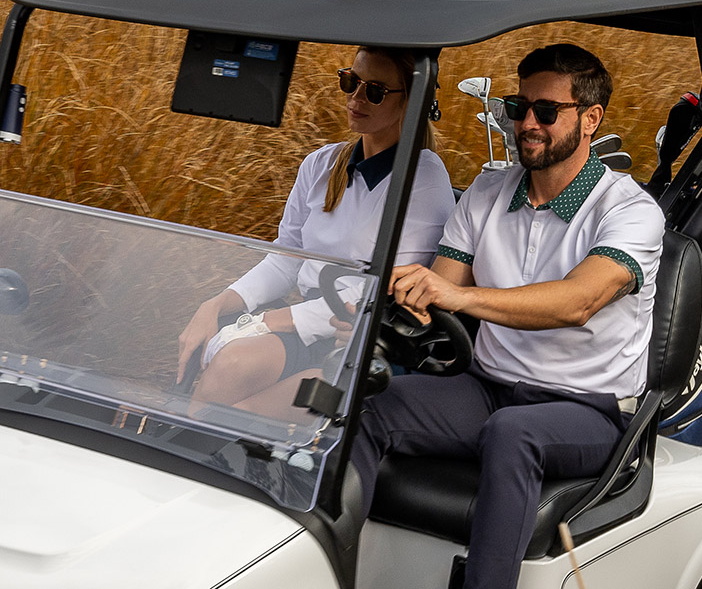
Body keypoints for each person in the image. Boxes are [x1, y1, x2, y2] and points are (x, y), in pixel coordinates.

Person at [349, 43, 665, 589]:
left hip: (587, 409)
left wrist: (461, 301)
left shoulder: (630, 211)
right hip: (487, 388)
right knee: (370, 400)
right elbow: (440, 291)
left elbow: (577, 302)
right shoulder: (487, 193)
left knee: (514, 434)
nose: (528, 125)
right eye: (520, 109)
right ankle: (332, 563)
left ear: (591, 119)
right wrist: (388, 311)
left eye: (547, 112)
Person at [176, 45, 455, 417]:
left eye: (374, 91)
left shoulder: (425, 178)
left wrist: (265, 322)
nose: (356, 98)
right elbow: (286, 260)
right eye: (350, 81)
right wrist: (216, 305)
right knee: (231, 364)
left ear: (411, 102)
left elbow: (382, 290)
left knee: (235, 403)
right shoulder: (321, 165)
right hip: (310, 322)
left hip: (360, 338)